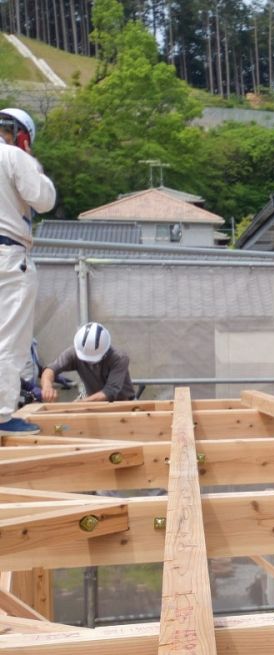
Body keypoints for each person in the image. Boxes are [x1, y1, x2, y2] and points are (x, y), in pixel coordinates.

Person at [0, 107, 55, 433]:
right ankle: (2, 414)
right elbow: (43, 198)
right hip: (8, 258)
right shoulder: (13, 157)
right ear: (22, 135)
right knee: (8, 338)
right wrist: (31, 161)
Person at [40, 322, 135, 403]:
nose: (90, 362)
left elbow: (109, 391)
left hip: (122, 403)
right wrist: (47, 386)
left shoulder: (119, 358)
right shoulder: (74, 352)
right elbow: (50, 370)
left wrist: (80, 403)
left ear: (105, 351)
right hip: (91, 402)